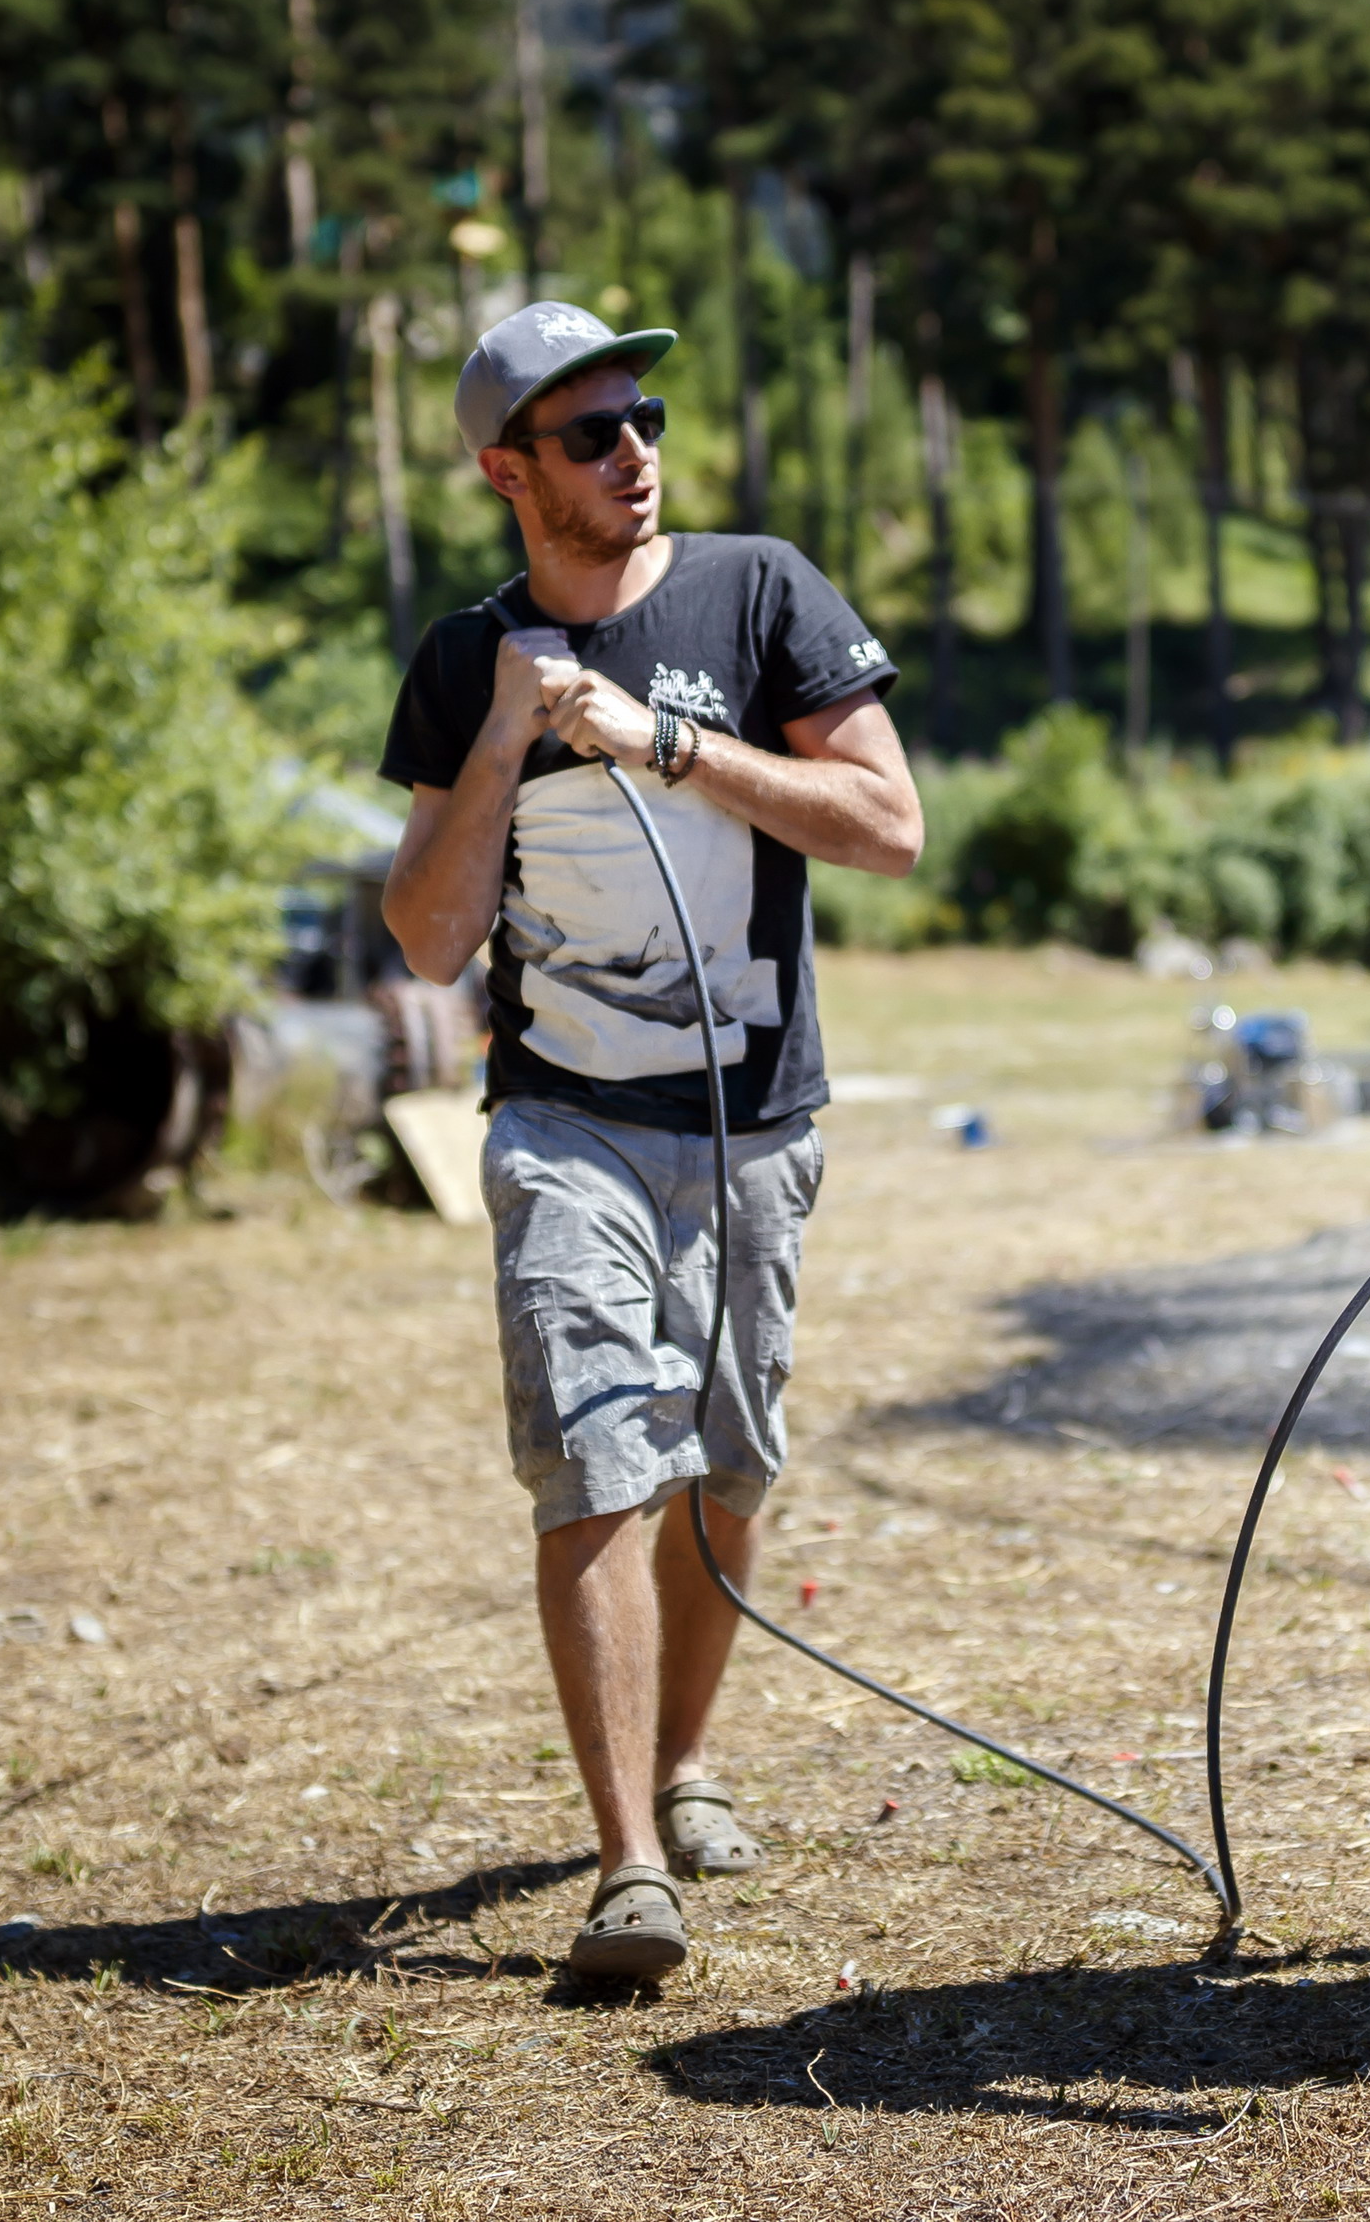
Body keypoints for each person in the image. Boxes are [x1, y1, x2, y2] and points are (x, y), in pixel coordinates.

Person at [379, 300, 924, 1985]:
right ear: (505, 470)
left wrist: (665, 738)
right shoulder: (465, 654)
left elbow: (891, 827)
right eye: (593, 432)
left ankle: (684, 1761)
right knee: (597, 1457)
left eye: (646, 417)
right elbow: (425, 935)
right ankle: (629, 1867)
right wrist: (499, 735)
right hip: (564, 1127)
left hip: (751, 1124)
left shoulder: (759, 590)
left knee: (729, 1459)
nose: (636, 452)